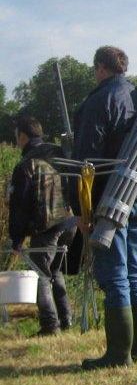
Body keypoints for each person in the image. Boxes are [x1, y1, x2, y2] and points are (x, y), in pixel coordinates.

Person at [72, 46, 137, 370]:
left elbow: (87, 159)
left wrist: (82, 209)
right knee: (136, 272)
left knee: (115, 275)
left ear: (100, 68)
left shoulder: (99, 100)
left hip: (113, 200)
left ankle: (118, 354)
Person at [8, 116, 77, 336]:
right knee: (54, 271)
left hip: (47, 226)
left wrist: (17, 238)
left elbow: (19, 205)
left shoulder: (26, 164)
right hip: (70, 222)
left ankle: (49, 325)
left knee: (40, 274)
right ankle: (66, 319)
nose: (16, 141)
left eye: (16, 137)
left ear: (23, 136)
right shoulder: (59, 153)